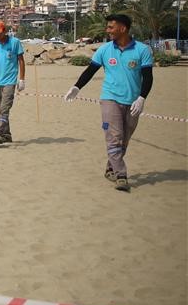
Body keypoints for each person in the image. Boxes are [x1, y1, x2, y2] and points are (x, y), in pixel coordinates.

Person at [64, 13, 153, 193]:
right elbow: (90, 70)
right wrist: (76, 87)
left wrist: (142, 97)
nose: (108, 30)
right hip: (109, 98)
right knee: (114, 137)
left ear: (123, 28)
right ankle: (121, 175)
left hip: (133, 101)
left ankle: (111, 168)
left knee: (124, 140)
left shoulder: (142, 50)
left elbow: (148, 77)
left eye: (111, 27)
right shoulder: (104, 50)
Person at [0, 20, 25, 145]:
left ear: (4, 31)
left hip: (10, 81)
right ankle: (7, 135)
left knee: (4, 109)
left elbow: (21, 61)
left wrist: (22, 79)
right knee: (1, 111)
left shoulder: (15, 43)